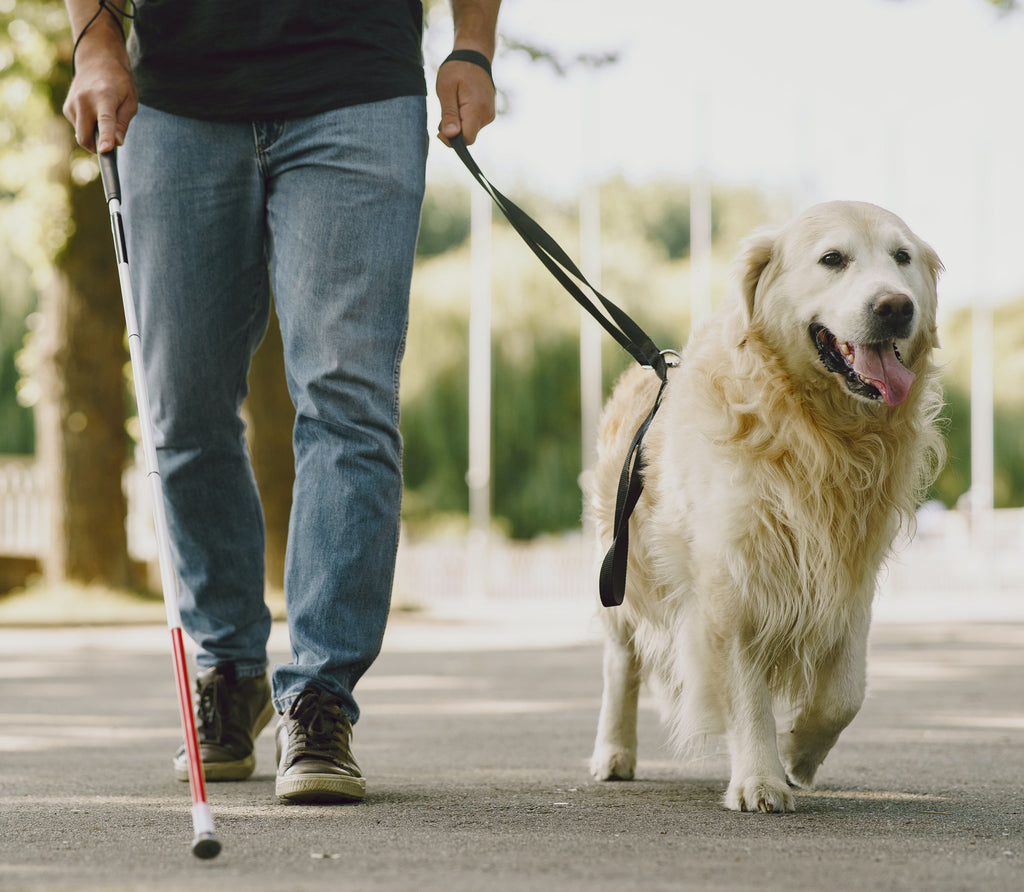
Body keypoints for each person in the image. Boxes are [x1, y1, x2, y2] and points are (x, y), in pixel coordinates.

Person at [62, 0, 502, 803]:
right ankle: (230, 669)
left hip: (359, 83)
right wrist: (95, 43)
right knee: (182, 406)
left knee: (348, 395)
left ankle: (320, 696)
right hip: (177, 94)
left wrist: (472, 44)